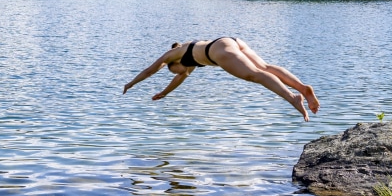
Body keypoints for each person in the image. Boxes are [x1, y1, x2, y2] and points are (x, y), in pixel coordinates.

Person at [122, 37, 319, 121]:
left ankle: (293, 98)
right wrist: (164, 93)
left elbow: (150, 70)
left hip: (218, 52)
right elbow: (181, 78)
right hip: (230, 41)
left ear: (174, 62)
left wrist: (130, 84)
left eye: (174, 70)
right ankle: (303, 88)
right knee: (264, 67)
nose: (179, 72)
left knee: (256, 75)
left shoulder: (172, 54)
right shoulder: (186, 57)